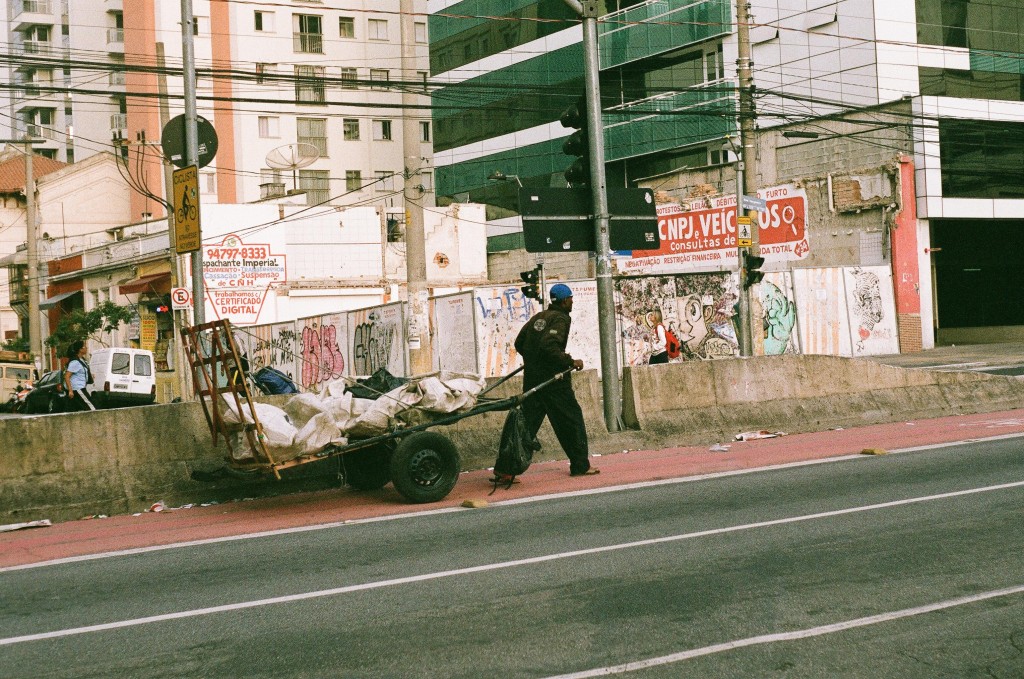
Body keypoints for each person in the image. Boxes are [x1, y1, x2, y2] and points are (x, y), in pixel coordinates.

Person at [512, 283, 599, 477]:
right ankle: (580, 466)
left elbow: (519, 342)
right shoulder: (561, 318)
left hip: (533, 381)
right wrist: (570, 361)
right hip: (554, 383)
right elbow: (549, 347)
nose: (572, 302)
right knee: (571, 421)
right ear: (564, 300)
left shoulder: (540, 316)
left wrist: (533, 362)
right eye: (570, 299)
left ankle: (506, 470)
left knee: (525, 426)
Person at [63, 340, 96, 412]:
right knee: (92, 408)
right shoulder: (75, 362)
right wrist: (70, 390)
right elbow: (67, 376)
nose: (86, 348)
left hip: (80, 388)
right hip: (78, 388)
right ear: (80, 349)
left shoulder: (81, 360)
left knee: (72, 411)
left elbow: (81, 372)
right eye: (84, 347)